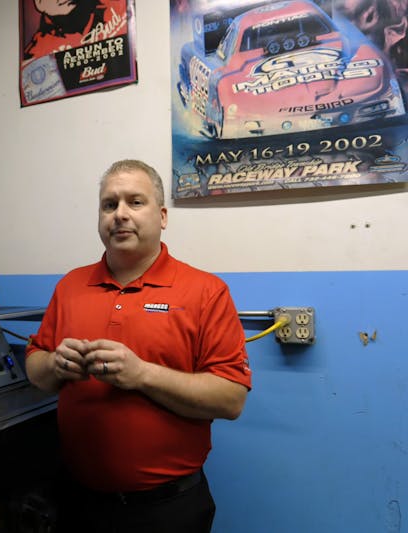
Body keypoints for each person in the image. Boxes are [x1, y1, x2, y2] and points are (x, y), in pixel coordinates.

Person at [25, 159, 251, 532]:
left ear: (162, 216)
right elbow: (35, 364)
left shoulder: (206, 291)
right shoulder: (70, 286)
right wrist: (55, 365)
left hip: (166, 510)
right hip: (76, 501)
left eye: (135, 202)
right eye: (109, 204)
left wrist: (141, 374)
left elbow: (231, 399)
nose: (120, 214)